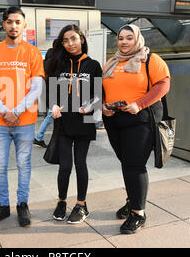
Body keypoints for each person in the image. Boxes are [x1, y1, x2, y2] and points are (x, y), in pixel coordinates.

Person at [102, 24, 170, 234]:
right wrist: (104, 105)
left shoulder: (150, 59)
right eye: (121, 38)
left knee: (134, 165)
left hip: (139, 119)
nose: (124, 42)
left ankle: (138, 213)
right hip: (114, 120)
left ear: (138, 39)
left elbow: (163, 85)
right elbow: (104, 88)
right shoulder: (112, 61)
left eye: (129, 38)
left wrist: (139, 104)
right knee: (126, 163)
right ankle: (132, 200)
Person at [0, 6, 45, 227]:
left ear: (24, 25)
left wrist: (15, 111)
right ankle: (3, 205)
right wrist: (4, 111)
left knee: (23, 163)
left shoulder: (32, 52)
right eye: (10, 22)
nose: (14, 26)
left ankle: (22, 204)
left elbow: (37, 87)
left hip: (25, 122)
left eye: (18, 22)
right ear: (3, 24)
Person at [46, 24, 102, 224]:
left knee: (80, 164)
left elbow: (99, 96)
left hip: (84, 121)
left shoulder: (93, 65)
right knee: (65, 166)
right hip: (63, 121)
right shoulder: (58, 64)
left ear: (82, 40)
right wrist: (53, 105)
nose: (70, 43)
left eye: (73, 39)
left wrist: (90, 107)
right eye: (66, 40)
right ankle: (61, 201)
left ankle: (81, 204)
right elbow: (51, 93)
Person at [33, 40, 57, 148]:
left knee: (51, 115)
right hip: (54, 90)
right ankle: (39, 137)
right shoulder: (56, 60)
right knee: (50, 116)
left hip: (45, 89)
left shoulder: (44, 60)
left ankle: (39, 137)